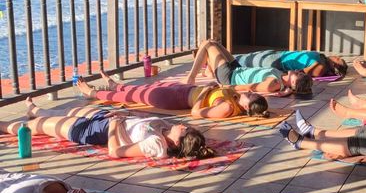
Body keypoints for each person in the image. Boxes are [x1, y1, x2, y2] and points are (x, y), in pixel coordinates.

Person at [0, 99, 214, 160]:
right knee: (70, 110)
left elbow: (116, 151)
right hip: (109, 119)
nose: (183, 125)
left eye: (184, 130)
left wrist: (114, 124)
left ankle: (5, 126)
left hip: (94, 131)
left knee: (34, 128)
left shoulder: (156, 144)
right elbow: (139, 123)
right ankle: (36, 109)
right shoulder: (166, 128)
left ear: (177, 143)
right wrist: (122, 116)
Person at [77, 73, 269, 120]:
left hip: (176, 99)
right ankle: (116, 85)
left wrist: (204, 91)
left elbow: (196, 113)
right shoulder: (236, 98)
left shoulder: (227, 108)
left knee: (134, 96)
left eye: (250, 96)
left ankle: (92, 92)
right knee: (142, 88)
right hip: (183, 89)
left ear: (247, 107)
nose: (249, 92)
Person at [185, 40, 313, 95]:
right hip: (237, 69)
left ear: (294, 82)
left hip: (229, 77)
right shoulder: (281, 76)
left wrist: (225, 87)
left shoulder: (274, 83)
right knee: (214, 42)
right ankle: (210, 70)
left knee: (207, 44)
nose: (297, 70)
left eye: (298, 74)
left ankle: (191, 78)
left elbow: (250, 88)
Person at [234, 49, 347, 78]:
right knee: (240, 58)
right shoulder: (321, 59)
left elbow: (302, 72)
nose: (335, 56)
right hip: (279, 55)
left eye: (337, 59)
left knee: (237, 61)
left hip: (278, 62)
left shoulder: (321, 67)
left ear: (334, 65)